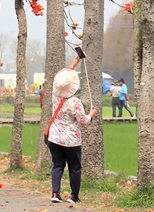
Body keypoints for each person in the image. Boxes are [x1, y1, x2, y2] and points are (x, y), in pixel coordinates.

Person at [46, 58, 96, 205]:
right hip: (71, 141)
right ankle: (74, 196)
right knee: (74, 168)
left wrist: (73, 64)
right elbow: (83, 121)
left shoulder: (55, 96)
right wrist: (91, 114)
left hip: (54, 138)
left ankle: (55, 193)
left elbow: (63, 82)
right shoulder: (75, 102)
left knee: (57, 165)